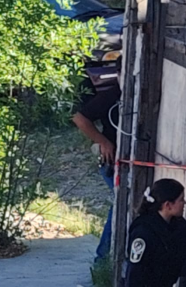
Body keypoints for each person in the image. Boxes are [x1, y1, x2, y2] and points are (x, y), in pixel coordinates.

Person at [72, 58, 122, 262]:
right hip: (112, 160)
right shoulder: (114, 94)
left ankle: (106, 258)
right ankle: (103, 258)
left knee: (121, 204)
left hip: (125, 160)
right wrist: (103, 141)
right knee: (120, 203)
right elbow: (79, 118)